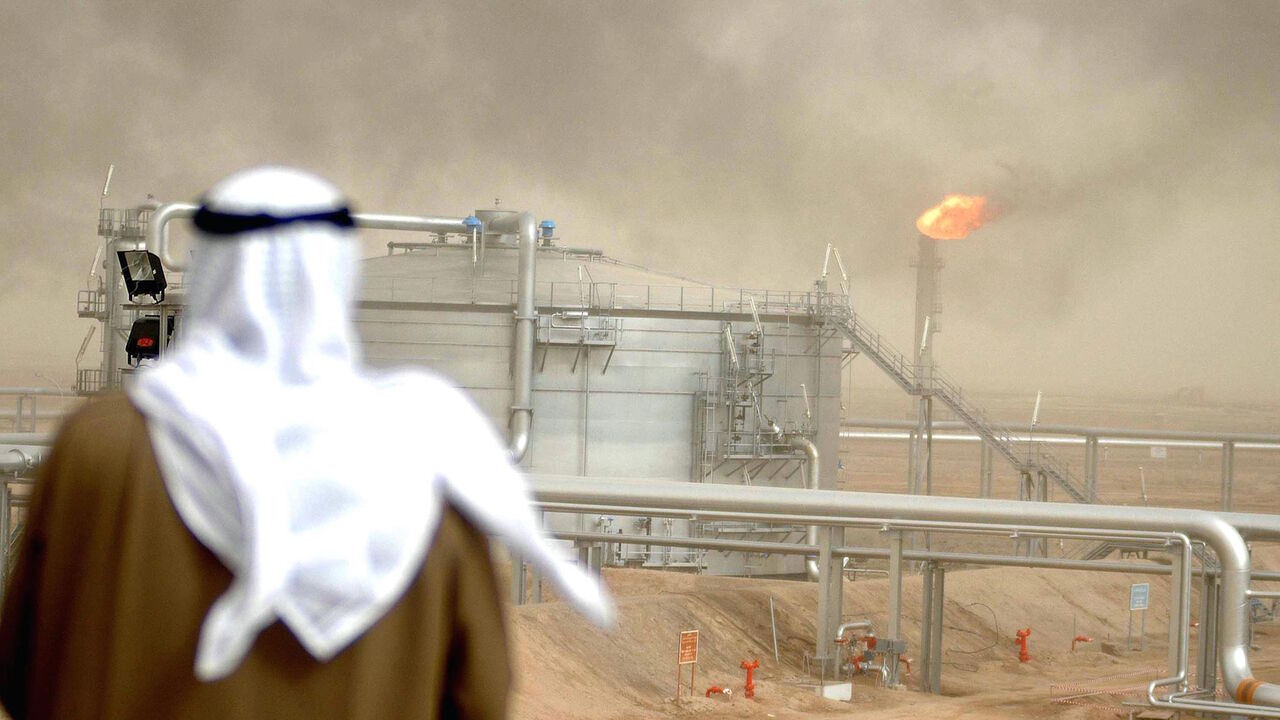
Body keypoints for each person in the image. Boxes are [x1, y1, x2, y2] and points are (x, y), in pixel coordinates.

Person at [0, 166, 611, 719]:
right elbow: (481, 694)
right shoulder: (426, 457)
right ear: (336, 276)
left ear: (209, 264)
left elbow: (22, 665)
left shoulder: (100, 447)